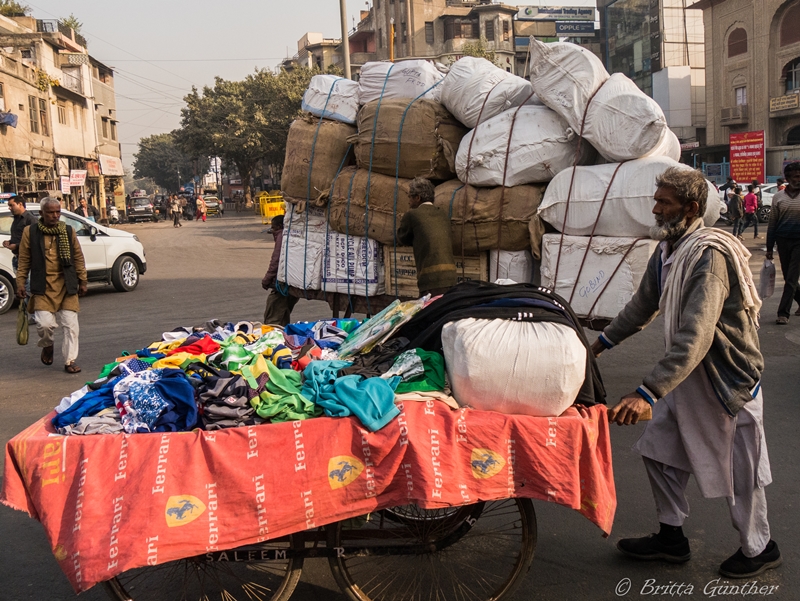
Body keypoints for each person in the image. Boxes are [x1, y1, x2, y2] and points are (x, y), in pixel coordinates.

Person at [592, 167, 779, 579]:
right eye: (656, 200)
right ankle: (671, 537)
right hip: (686, 380)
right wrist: (599, 346)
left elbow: (695, 336)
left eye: (665, 203)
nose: (656, 209)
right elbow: (643, 306)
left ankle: (760, 546)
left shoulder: (708, 256)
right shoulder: (669, 250)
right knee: (658, 452)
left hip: (726, 380)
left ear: (691, 208)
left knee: (741, 471)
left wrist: (646, 392)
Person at [15, 198, 88, 374]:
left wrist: (83, 280)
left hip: (66, 285)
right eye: (50, 212)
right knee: (44, 324)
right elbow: (24, 260)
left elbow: (78, 256)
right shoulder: (30, 232)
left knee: (71, 326)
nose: (55, 216)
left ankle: (70, 360)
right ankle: (47, 345)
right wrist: (20, 282)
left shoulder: (68, 231)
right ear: (41, 214)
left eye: (58, 212)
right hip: (43, 286)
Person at [396, 177, 457, 297]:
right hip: (451, 276)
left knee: (430, 312)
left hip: (431, 279)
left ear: (418, 198)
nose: (408, 201)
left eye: (410, 197)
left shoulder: (412, 215)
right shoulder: (443, 214)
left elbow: (402, 238)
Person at [766, 162, 800, 324]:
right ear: (787, 178)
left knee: (792, 277)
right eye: (796, 176)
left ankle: (783, 313)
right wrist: (769, 248)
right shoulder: (778, 197)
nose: (799, 179)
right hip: (782, 241)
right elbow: (772, 224)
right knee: (788, 277)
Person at [261, 215, 298, 326]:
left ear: (279, 226)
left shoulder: (282, 236)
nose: (272, 230)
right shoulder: (291, 235)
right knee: (284, 312)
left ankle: (273, 336)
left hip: (283, 283)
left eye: (273, 228)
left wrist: (267, 279)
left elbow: (276, 261)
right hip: (293, 280)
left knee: (273, 315)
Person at [2, 197, 37, 273]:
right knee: (20, 284)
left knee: (26, 284)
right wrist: (9, 242)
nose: (9, 208)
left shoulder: (31, 219)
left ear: (20, 204)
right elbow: (19, 237)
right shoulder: (16, 219)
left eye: (12, 205)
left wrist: (16, 246)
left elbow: (34, 240)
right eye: (9, 205)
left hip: (27, 260)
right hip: (17, 258)